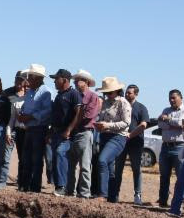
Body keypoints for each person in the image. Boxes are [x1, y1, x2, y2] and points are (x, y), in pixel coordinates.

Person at [15, 64, 53, 193]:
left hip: (39, 129)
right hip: (29, 129)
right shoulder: (30, 92)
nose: (27, 79)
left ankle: (35, 187)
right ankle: (25, 186)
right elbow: (26, 107)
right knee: (26, 158)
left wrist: (30, 116)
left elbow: (47, 111)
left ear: (37, 78)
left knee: (36, 159)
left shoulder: (46, 92)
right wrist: (22, 115)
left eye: (29, 77)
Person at [94, 77, 132, 202]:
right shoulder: (105, 103)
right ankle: (112, 197)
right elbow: (103, 119)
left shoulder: (123, 102)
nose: (107, 95)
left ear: (117, 91)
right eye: (106, 92)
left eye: (110, 92)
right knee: (109, 168)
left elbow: (126, 122)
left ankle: (103, 194)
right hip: (105, 136)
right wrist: (100, 125)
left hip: (118, 137)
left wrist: (108, 125)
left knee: (102, 160)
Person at [113, 83, 150, 206]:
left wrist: (131, 134)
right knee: (117, 169)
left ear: (136, 94)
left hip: (135, 143)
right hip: (120, 141)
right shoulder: (120, 106)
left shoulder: (141, 108)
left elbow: (143, 125)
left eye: (130, 92)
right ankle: (115, 194)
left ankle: (137, 195)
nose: (127, 94)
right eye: (126, 92)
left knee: (136, 169)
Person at [65, 70, 100, 199]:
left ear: (86, 82)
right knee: (72, 164)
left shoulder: (92, 97)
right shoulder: (74, 95)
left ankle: (84, 193)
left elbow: (88, 116)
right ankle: (70, 191)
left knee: (85, 165)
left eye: (78, 80)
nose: (75, 82)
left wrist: (72, 122)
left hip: (85, 132)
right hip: (74, 133)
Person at [48, 69, 78, 196]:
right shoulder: (59, 95)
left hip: (67, 134)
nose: (54, 81)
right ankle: (60, 187)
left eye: (56, 79)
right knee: (54, 158)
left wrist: (69, 129)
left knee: (61, 154)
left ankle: (62, 187)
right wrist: (50, 132)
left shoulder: (73, 94)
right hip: (55, 132)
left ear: (64, 80)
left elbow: (79, 113)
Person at [156, 89, 184, 207]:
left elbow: (182, 124)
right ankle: (163, 201)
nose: (171, 100)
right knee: (164, 176)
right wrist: (171, 123)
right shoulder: (166, 110)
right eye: (170, 98)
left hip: (179, 147)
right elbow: (160, 125)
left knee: (181, 176)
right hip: (166, 146)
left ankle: (180, 202)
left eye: (174, 98)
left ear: (180, 98)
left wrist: (167, 120)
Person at [0, 72, 29, 188]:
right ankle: (1, 182)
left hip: (24, 131)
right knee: (5, 157)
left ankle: (21, 182)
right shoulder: (6, 93)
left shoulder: (30, 96)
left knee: (23, 158)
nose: (19, 82)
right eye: (18, 79)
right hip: (10, 128)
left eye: (22, 80)